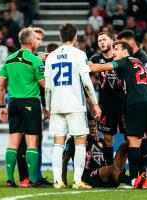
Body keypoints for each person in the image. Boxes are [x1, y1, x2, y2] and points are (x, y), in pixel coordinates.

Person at [89, 41, 147, 189]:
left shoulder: (125, 60)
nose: (114, 53)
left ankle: (133, 180)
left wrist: (88, 66)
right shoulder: (140, 62)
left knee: (134, 142)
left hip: (137, 102)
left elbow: (103, 67)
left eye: (116, 49)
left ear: (125, 51)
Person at [44, 23, 101, 189]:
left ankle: (57, 181)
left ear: (61, 37)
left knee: (58, 143)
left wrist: (48, 107)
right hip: (75, 104)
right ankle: (77, 181)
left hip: (56, 104)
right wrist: (95, 104)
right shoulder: (79, 54)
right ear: (75, 36)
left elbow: (47, 86)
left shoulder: (51, 56)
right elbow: (87, 82)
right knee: (80, 142)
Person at [0, 28, 45, 187]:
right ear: (31, 41)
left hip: (13, 103)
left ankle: (10, 179)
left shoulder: (9, 59)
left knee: (13, 143)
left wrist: (2, 106)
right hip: (30, 102)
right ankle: (32, 180)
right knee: (32, 143)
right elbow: (44, 84)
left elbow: (0, 86)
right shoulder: (35, 60)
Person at [117, 30, 147, 188]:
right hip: (133, 100)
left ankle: (146, 176)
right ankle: (143, 176)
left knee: (141, 140)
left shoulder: (140, 57)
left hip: (138, 101)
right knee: (135, 140)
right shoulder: (129, 58)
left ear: (128, 42)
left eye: (121, 43)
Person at [89, 32, 126, 166]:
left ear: (112, 41)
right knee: (108, 140)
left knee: (130, 139)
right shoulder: (95, 58)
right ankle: (110, 171)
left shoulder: (120, 57)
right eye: (99, 41)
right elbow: (85, 68)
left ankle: (123, 170)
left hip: (123, 104)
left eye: (104, 39)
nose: (101, 43)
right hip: (106, 105)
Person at [62, 119, 131, 189]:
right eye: (89, 126)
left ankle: (135, 175)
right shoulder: (75, 141)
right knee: (112, 168)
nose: (93, 128)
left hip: (104, 174)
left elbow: (108, 161)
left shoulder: (100, 141)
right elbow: (65, 159)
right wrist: (63, 181)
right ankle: (132, 181)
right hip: (89, 177)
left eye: (94, 126)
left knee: (124, 146)